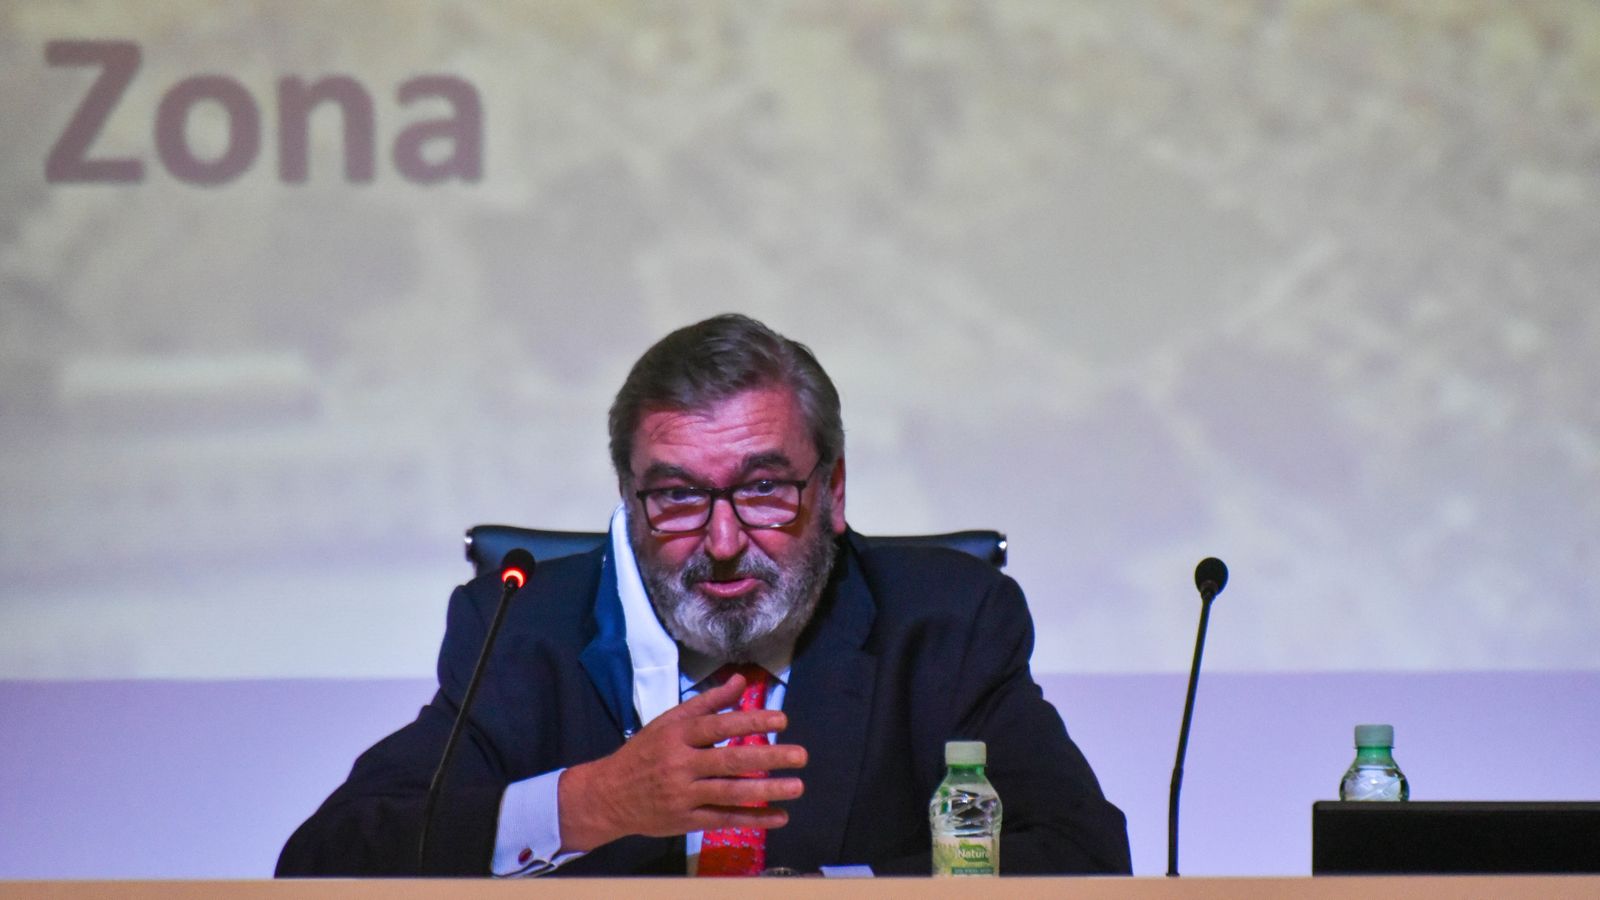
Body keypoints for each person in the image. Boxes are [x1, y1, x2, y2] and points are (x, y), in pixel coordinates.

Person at [277, 314, 1131, 877]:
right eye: (679, 497)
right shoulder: (522, 628)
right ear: (629, 501)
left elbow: (1084, 856)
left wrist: (835, 895)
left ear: (833, 492)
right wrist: (592, 801)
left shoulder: (944, 626)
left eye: (763, 490)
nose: (723, 544)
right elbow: (323, 865)